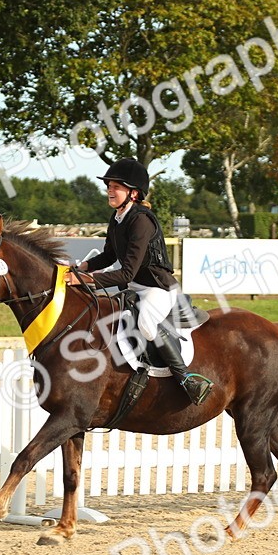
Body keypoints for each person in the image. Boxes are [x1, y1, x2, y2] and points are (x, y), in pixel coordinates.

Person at [67, 158, 214, 406]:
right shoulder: (117, 218)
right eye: (109, 186)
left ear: (133, 193)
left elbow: (125, 274)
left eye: (116, 187)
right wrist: (81, 267)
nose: (110, 191)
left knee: (146, 323)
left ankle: (186, 378)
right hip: (136, 287)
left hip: (158, 288)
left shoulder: (141, 221)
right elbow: (108, 255)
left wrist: (86, 280)